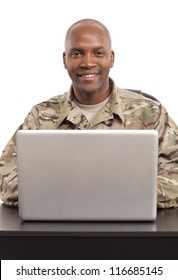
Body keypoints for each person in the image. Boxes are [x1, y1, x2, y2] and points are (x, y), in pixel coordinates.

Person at [0, 18, 178, 208]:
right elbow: (5, 175)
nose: (88, 62)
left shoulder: (150, 113)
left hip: (130, 230)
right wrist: (82, 194)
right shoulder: (41, 115)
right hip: (59, 230)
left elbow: (175, 173)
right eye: (77, 53)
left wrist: (111, 195)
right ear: (65, 59)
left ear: (111, 58)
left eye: (98, 53)